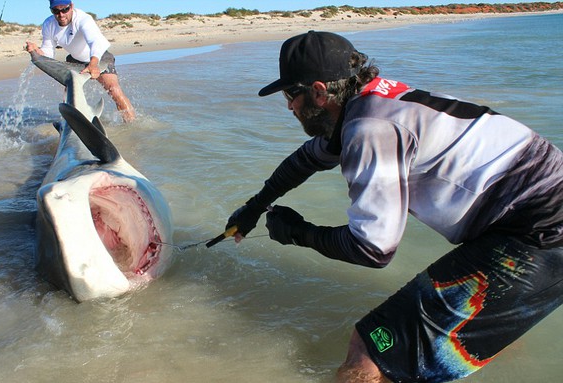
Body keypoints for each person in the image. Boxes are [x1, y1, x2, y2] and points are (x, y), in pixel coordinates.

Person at [223, 31, 563, 383]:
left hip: (539, 233)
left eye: (291, 95)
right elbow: (305, 160)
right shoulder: (373, 100)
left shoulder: (370, 128)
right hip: (534, 222)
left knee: (367, 354)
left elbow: (373, 249)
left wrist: (296, 233)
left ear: (320, 92)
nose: (289, 106)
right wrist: (254, 207)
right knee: (470, 329)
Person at [25, 0, 136, 122]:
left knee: (114, 90)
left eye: (64, 9)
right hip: (75, 60)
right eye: (56, 11)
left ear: (71, 6)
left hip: (99, 56)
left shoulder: (83, 19)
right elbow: (48, 52)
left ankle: (132, 126)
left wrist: (93, 64)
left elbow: (96, 42)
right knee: (69, 100)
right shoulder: (49, 24)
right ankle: (71, 131)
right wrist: (36, 51)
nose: (61, 14)